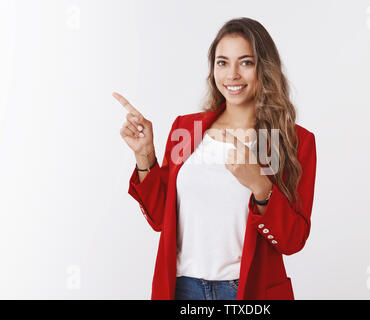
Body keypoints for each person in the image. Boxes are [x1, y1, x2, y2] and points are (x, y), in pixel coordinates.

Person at [114, 17, 317, 300]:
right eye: (223, 62)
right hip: (182, 289)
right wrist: (145, 154)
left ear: (264, 68)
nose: (232, 74)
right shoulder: (186, 128)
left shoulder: (290, 140)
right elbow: (162, 218)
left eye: (246, 62)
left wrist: (261, 187)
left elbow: (293, 240)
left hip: (247, 292)